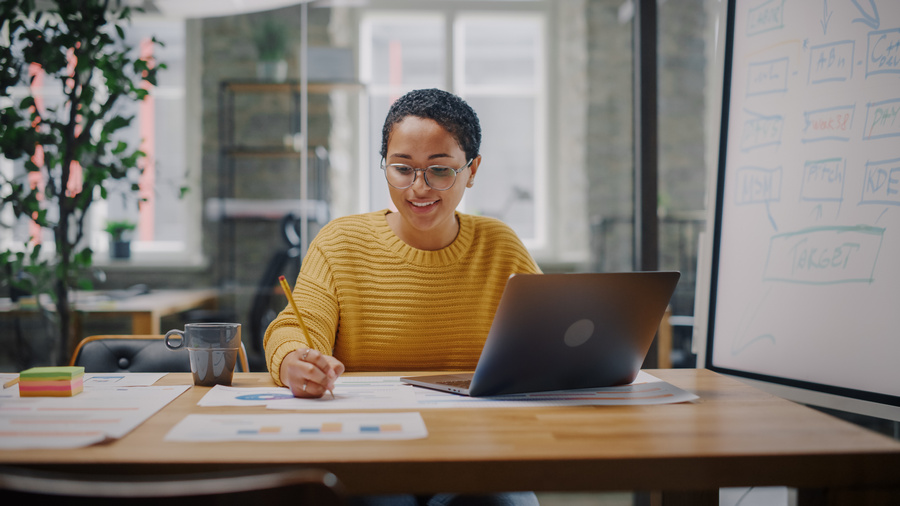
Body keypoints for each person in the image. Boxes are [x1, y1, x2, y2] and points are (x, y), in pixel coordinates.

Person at [264, 88, 541, 506]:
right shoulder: (340, 242)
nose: (418, 187)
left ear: (472, 169)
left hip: (477, 452)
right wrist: (293, 361)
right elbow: (292, 328)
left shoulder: (499, 246)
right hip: (367, 452)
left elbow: (548, 338)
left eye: (440, 170)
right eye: (402, 168)